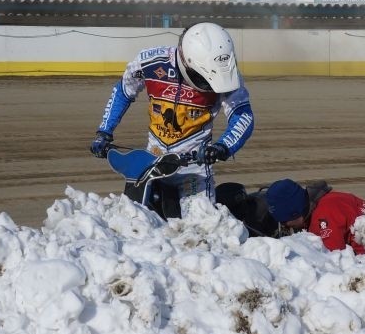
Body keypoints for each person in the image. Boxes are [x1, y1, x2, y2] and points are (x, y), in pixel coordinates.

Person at [90, 22, 254, 206]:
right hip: (151, 162)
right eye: (203, 79)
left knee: (202, 227)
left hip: (194, 169)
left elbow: (243, 115)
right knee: (135, 221)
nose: (208, 86)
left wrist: (222, 147)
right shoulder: (149, 62)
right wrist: (104, 132)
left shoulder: (228, 75)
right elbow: (122, 91)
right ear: (186, 61)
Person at [265, 179, 365, 255]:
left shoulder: (323, 217)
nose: (285, 226)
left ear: (296, 213)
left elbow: (335, 259)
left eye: (284, 222)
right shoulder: (328, 200)